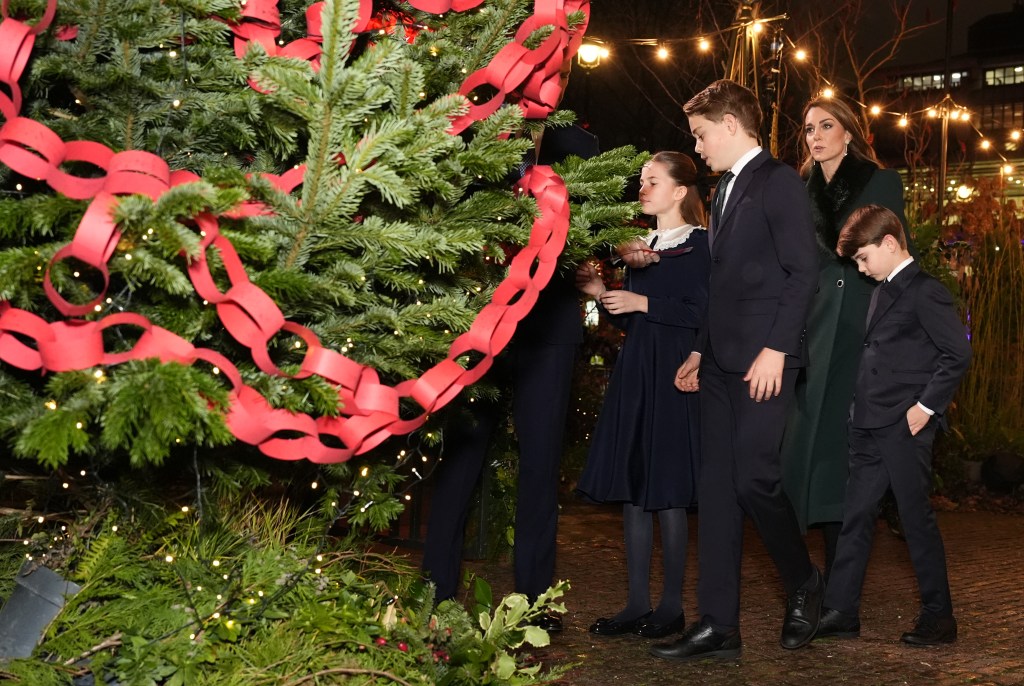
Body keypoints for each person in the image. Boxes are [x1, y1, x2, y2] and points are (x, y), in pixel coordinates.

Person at [421, 59, 599, 633]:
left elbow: (598, 223)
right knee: (461, 458)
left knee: (541, 466)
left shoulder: (578, 144)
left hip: (548, 328)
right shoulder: (470, 132)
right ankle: (435, 591)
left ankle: (534, 601)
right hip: (482, 328)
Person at [651, 79, 822, 662]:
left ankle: (803, 582)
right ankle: (719, 625)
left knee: (754, 479)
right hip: (720, 362)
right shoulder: (725, 190)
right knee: (717, 493)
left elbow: (804, 273)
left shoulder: (778, 183)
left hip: (764, 363)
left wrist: (777, 348)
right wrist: (699, 349)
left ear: (729, 125)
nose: (697, 148)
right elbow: (719, 286)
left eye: (700, 135)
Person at [815, 204, 971, 646]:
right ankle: (842, 611)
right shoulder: (883, 289)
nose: (860, 269)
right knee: (855, 517)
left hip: (905, 425)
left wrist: (926, 407)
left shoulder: (925, 291)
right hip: (867, 422)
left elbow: (956, 354)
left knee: (914, 519)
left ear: (888, 242)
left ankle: (940, 618)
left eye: (863, 258)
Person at [575, 152, 709, 639]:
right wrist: (598, 292)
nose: (643, 188)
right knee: (634, 487)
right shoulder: (640, 246)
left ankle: (671, 606)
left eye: (653, 181)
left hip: (674, 372)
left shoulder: (701, 246)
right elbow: (629, 317)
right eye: (642, 181)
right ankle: (636, 603)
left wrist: (643, 301)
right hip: (637, 371)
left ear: (679, 192)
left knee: (669, 490)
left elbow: (703, 311)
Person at [780, 96, 915, 579]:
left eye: (826, 125)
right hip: (812, 330)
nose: (815, 135)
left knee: (844, 454)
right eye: (809, 127)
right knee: (804, 449)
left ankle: (841, 586)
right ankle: (808, 579)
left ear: (849, 132)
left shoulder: (881, 181)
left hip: (863, 325)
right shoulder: (798, 187)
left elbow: (897, 258)